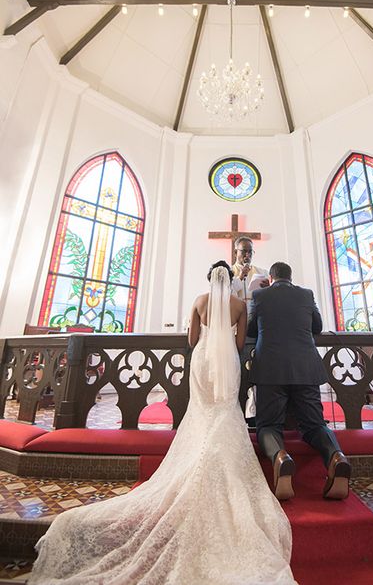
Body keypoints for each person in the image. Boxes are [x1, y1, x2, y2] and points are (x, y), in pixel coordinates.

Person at [29, 261, 296, 585]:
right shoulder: (239, 305)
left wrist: (203, 332)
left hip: (202, 362)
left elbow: (192, 339)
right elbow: (241, 345)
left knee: (203, 411)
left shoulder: (199, 302)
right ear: (229, 281)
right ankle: (220, 460)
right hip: (227, 361)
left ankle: (199, 455)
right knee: (225, 411)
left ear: (209, 279)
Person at [247, 261, 351, 501]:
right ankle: (336, 457)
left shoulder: (260, 295)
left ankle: (280, 458)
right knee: (314, 424)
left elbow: (252, 330)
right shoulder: (306, 294)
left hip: (271, 369)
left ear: (270, 278)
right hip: (305, 366)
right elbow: (318, 326)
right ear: (290, 277)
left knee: (269, 425)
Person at [232, 236, 269, 304]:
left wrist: (268, 288)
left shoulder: (262, 272)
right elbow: (226, 294)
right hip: (237, 311)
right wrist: (240, 277)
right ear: (235, 252)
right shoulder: (229, 272)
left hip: (256, 311)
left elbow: (270, 295)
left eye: (250, 251)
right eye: (244, 251)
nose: (247, 255)